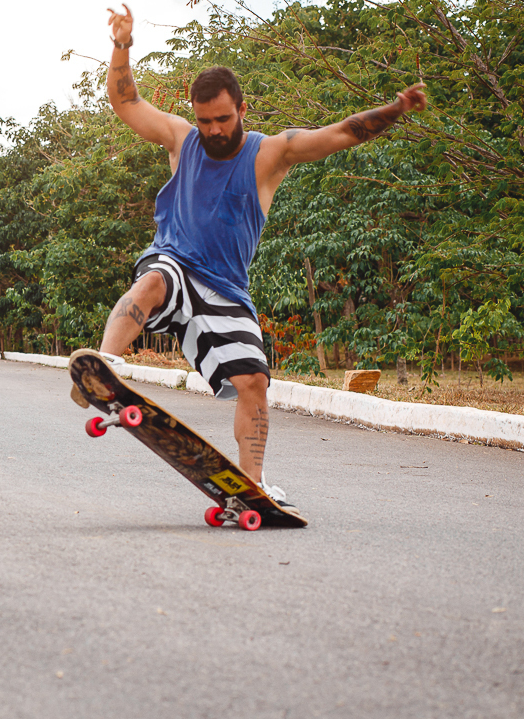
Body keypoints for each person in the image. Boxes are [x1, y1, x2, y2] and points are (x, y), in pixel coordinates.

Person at [95, 5, 427, 509]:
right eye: (204, 121)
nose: (213, 130)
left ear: (242, 110)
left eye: (223, 119)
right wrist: (121, 45)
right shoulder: (182, 138)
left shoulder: (269, 153)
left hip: (226, 288)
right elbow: (127, 102)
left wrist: (394, 110)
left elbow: (339, 133)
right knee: (154, 280)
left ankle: (251, 486)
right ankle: (104, 369)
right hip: (175, 263)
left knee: (253, 380)